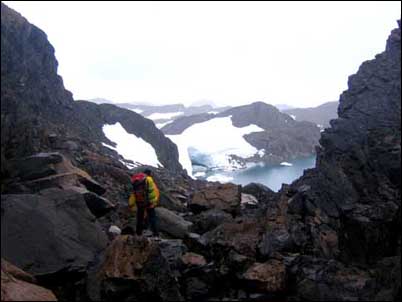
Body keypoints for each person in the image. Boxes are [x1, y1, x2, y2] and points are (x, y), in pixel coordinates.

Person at [128, 168, 160, 237]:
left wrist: (132, 203)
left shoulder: (138, 179)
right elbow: (152, 193)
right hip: (148, 203)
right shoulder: (149, 179)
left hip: (139, 202)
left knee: (139, 218)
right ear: (150, 174)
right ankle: (156, 234)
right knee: (152, 218)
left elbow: (133, 193)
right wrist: (153, 203)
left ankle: (138, 233)